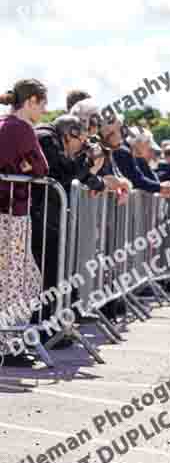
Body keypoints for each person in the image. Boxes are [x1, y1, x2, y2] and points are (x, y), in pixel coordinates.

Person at [32, 115, 107, 347]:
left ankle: (51, 329)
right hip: (36, 216)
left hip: (46, 217)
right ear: (69, 135)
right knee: (46, 276)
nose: (82, 148)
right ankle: (41, 332)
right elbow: (62, 174)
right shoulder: (46, 138)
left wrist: (96, 181)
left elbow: (71, 176)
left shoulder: (54, 141)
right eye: (82, 143)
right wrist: (89, 164)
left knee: (54, 274)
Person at [0, 79, 49, 365]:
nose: (43, 111)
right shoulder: (21, 129)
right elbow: (42, 168)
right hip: (11, 213)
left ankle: (11, 342)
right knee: (17, 281)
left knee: (22, 278)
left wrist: (23, 166)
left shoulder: (5, 124)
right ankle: (9, 345)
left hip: (10, 212)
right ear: (30, 101)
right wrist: (24, 167)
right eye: (42, 104)